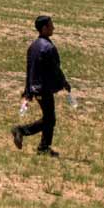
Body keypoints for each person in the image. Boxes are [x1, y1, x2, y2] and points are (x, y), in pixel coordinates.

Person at [11, 15, 71, 156]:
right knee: (50, 119)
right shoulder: (48, 48)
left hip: (35, 87)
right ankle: (21, 131)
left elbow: (29, 69)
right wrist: (64, 83)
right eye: (51, 25)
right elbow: (56, 69)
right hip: (44, 88)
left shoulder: (33, 46)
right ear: (44, 28)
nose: (53, 28)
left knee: (49, 117)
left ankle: (44, 147)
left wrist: (28, 91)